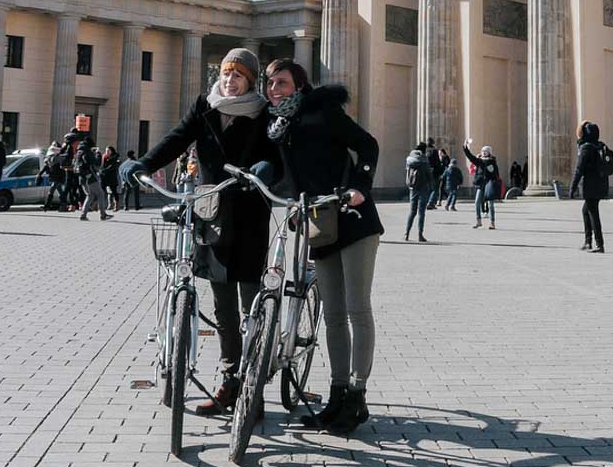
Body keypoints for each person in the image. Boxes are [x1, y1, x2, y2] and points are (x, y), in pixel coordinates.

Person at [123, 48, 273, 417]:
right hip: (212, 213)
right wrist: (144, 163)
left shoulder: (263, 113)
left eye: (238, 75)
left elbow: (276, 156)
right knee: (223, 308)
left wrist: (265, 169)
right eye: (226, 73)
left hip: (250, 214)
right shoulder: (205, 106)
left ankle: (254, 387)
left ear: (250, 81)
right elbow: (177, 138)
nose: (230, 80)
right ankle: (229, 381)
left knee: (251, 305)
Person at [254, 57, 383, 436]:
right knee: (332, 315)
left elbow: (367, 145)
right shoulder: (278, 126)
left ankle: (357, 396)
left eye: (281, 82)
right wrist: (284, 194)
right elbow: (290, 174)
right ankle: (337, 393)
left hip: (354, 219)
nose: (274, 89)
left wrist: (361, 186)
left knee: (357, 308)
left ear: (299, 85)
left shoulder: (322, 112)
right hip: (318, 224)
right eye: (270, 83)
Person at [569, 121, 609, 253]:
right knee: (586, 211)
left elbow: (579, 170)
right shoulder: (598, 146)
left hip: (591, 186)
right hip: (600, 184)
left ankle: (599, 244)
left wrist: (572, 187)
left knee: (593, 213)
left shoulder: (586, 148)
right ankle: (588, 241)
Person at [463, 141, 501, 230]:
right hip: (481, 184)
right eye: (483, 151)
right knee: (477, 202)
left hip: (489, 184)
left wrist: (492, 176)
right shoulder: (479, 161)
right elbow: (471, 157)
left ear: (489, 153)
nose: (484, 152)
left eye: (486, 151)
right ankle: (478, 221)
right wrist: (465, 149)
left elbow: (496, 174)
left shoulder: (492, 162)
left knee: (490, 204)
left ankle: (492, 222)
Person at [404, 141, 433, 242]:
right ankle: (420, 235)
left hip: (412, 188)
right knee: (421, 212)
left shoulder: (409, 161)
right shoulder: (424, 161)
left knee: (412, 212)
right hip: (423, 188)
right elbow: (429, 176)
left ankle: (406, 234)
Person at [76, 137, 109, 221]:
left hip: (82, 178)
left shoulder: (79, 152)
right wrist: (98, 154)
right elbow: (96, 163)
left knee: (90, 195)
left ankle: (83, 215)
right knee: (100, 194)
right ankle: (103, 214)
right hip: (90, 177)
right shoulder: (87, 152)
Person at [100, 145, 121, 211]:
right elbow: (102, 165)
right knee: (102, 190)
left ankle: (116, 205)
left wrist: (104, 170)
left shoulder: (115, 158)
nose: (107, 152)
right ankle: (102, 205)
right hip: (104, 176)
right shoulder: (104, 157)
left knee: (114, 191)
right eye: (106, 150)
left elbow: (113, 167)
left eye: (108, 151)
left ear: (112, 151)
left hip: (112, 177)